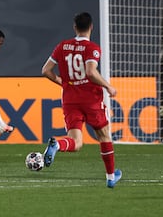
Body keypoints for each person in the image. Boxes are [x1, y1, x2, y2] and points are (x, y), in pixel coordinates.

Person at [41, 12, 122, 188]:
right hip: (90, 99)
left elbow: (46, 70)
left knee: (76, 142)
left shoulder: (62, 46)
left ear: (74, 27)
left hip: (70, 99)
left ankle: (58, 145)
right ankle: (110, 177)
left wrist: (62, 82)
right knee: (104, 135)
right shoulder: (92, 48)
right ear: (91, 27)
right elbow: (91, 72)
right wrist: (108, 86)